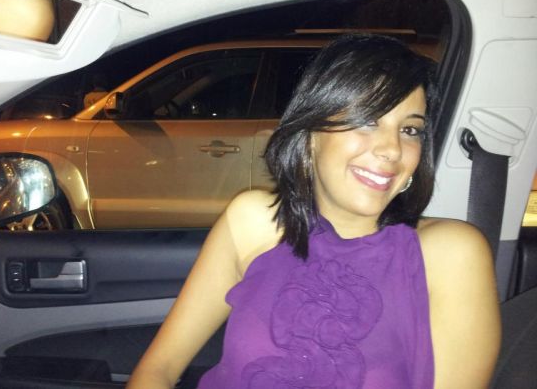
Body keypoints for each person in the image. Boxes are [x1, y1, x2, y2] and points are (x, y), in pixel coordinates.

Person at [127, 34, 501, 389]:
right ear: (309, 133)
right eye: (367, 120)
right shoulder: (254, 221)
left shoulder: (449, 252)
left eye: (410, 130)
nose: (392, 149)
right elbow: (158, 369)